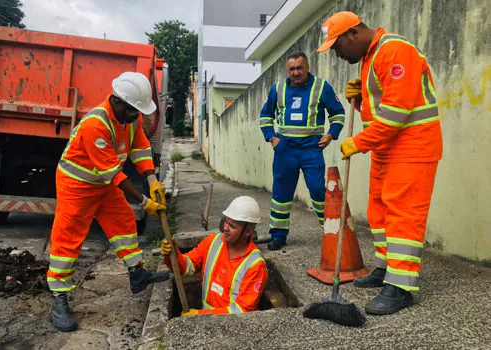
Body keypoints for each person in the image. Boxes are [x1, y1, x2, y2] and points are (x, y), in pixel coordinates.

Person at [316, 11, 442, 315]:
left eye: (337, 47)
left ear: (353, 34)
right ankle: (386, 269)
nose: (336, 54)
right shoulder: (370, 58)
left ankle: (401, 286)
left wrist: (357, 143)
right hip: (388, 148)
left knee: (402, 215)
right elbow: (380, 111)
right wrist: (361, 100)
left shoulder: (394, 51)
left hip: (412, 147)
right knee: (379, 210)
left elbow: (396, 115)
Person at [47, 72, 171, 332]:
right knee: (68, 238)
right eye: (133, 110)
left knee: (124, 222)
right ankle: (59, 297)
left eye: (139, 111)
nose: (137, 116)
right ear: (117, 101)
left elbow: (139, 148)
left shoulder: (129, 120)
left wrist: (152, 179)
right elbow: (113, 173)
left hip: (102, 184)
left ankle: (137, 274)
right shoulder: (96, 123)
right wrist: (144, 200)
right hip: (77, 185)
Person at [260, 51, 346, 251]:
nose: (296, 72)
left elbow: (338, 113)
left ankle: (330, 231)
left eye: (300, 68)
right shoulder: (278, 89)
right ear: (287, 70)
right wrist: (272, 138)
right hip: (285, 150)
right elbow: (265, 115)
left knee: (317, 190)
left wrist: (331, 134)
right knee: (281, 193)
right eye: (292, 69)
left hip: (311, 149)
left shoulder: (321, 87)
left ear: (307, 68)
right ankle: (278, 235)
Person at [160, 196, 268, 315]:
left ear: (248, 232)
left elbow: (242, 311)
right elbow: (186, 267)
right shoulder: (212, 242)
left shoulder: (255, 265)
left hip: (234, 329)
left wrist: (200, 315)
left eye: (232, 226)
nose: (225, 228)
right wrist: (173, 254)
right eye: (225, 221)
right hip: (206, 325)